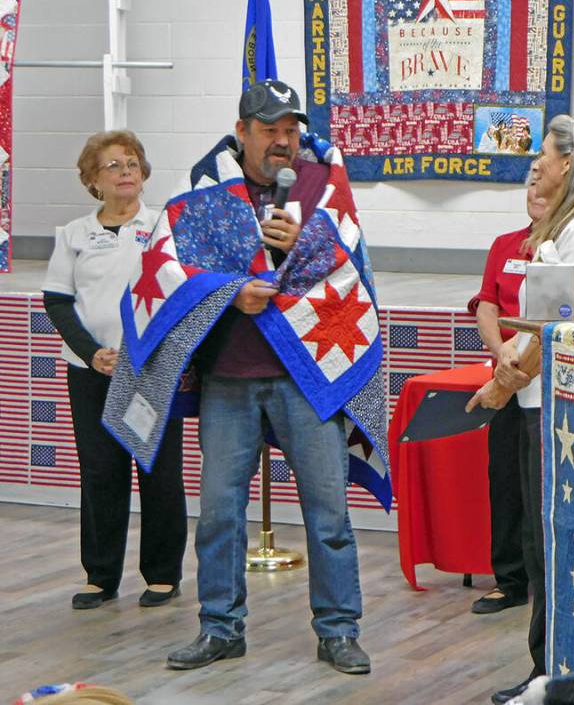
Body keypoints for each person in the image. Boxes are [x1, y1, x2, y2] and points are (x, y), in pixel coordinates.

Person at [165, 80, 374, 674]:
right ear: (242, 132)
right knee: (219, 513)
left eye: (291, 129)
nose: (283, 141)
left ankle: (338, 630)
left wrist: (301, 240)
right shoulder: (206, 190)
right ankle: (219, 627)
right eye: (269, 130)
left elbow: (346, 264)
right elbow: (179, 270)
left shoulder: (322, 183)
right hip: (230, 375)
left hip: (307, 374)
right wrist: (232, 293)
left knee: (327, 509)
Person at [467, 115, 574, 704]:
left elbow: (555, 330)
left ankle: (552, 676)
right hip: (549, 402)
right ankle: (551, 670)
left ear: (571, 163)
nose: (536, 163)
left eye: (545, 153)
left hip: (558, 409)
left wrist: (502, 382)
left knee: (553, 548)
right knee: (545, 544)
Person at [42, 130, 186, 611]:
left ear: (143, 174)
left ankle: (163, 575)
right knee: (101, 472)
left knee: (158, 470)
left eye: (132, 163)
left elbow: (182, 296)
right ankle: (100, 575)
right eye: (113, 165)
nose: (125, 171)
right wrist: (91, 352)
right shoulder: (74, 235)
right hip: (91, 371)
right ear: (92, 180)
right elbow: (58, 302)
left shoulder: (166, 230)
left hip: (151, 367)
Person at [467, 179, 549, 615]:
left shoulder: (565, 242)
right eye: (530, 182)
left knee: (538, 485)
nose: (535, 188)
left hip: (544, 377)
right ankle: (510, 579)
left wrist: (518, 357)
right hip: (506, 375)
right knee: (504, 476)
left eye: (543, 180)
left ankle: (544, 578)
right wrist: (503, 356)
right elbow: (487, 306)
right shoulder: (505, 244)